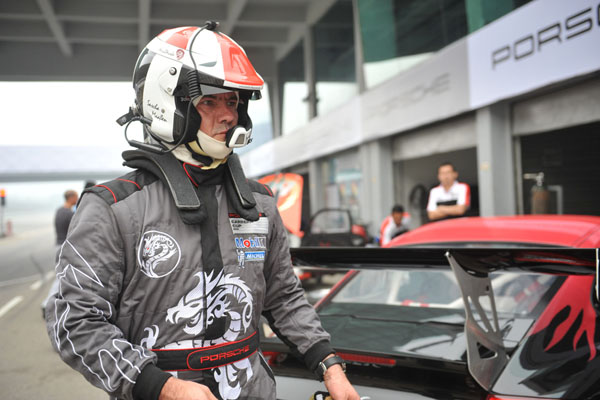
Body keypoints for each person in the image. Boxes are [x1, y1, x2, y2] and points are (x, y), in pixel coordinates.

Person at [45, 24, 359, 400]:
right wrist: (162, 387)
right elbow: (74, 321)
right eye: (210, 102)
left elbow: (284, 297)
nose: (228, 116)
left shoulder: (259, 203)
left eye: (233, 102)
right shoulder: (112, 208)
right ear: (168, 103)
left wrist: (330, 366)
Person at [41, 189, 79, 317]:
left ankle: (56, 304)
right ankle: (47, 304)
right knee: (62, 276)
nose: (77, 199)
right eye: (76, 197)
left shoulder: (59, 211)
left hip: (58, 244)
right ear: (71, 198)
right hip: (65, 246)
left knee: (62, 276)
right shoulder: (69, 214)